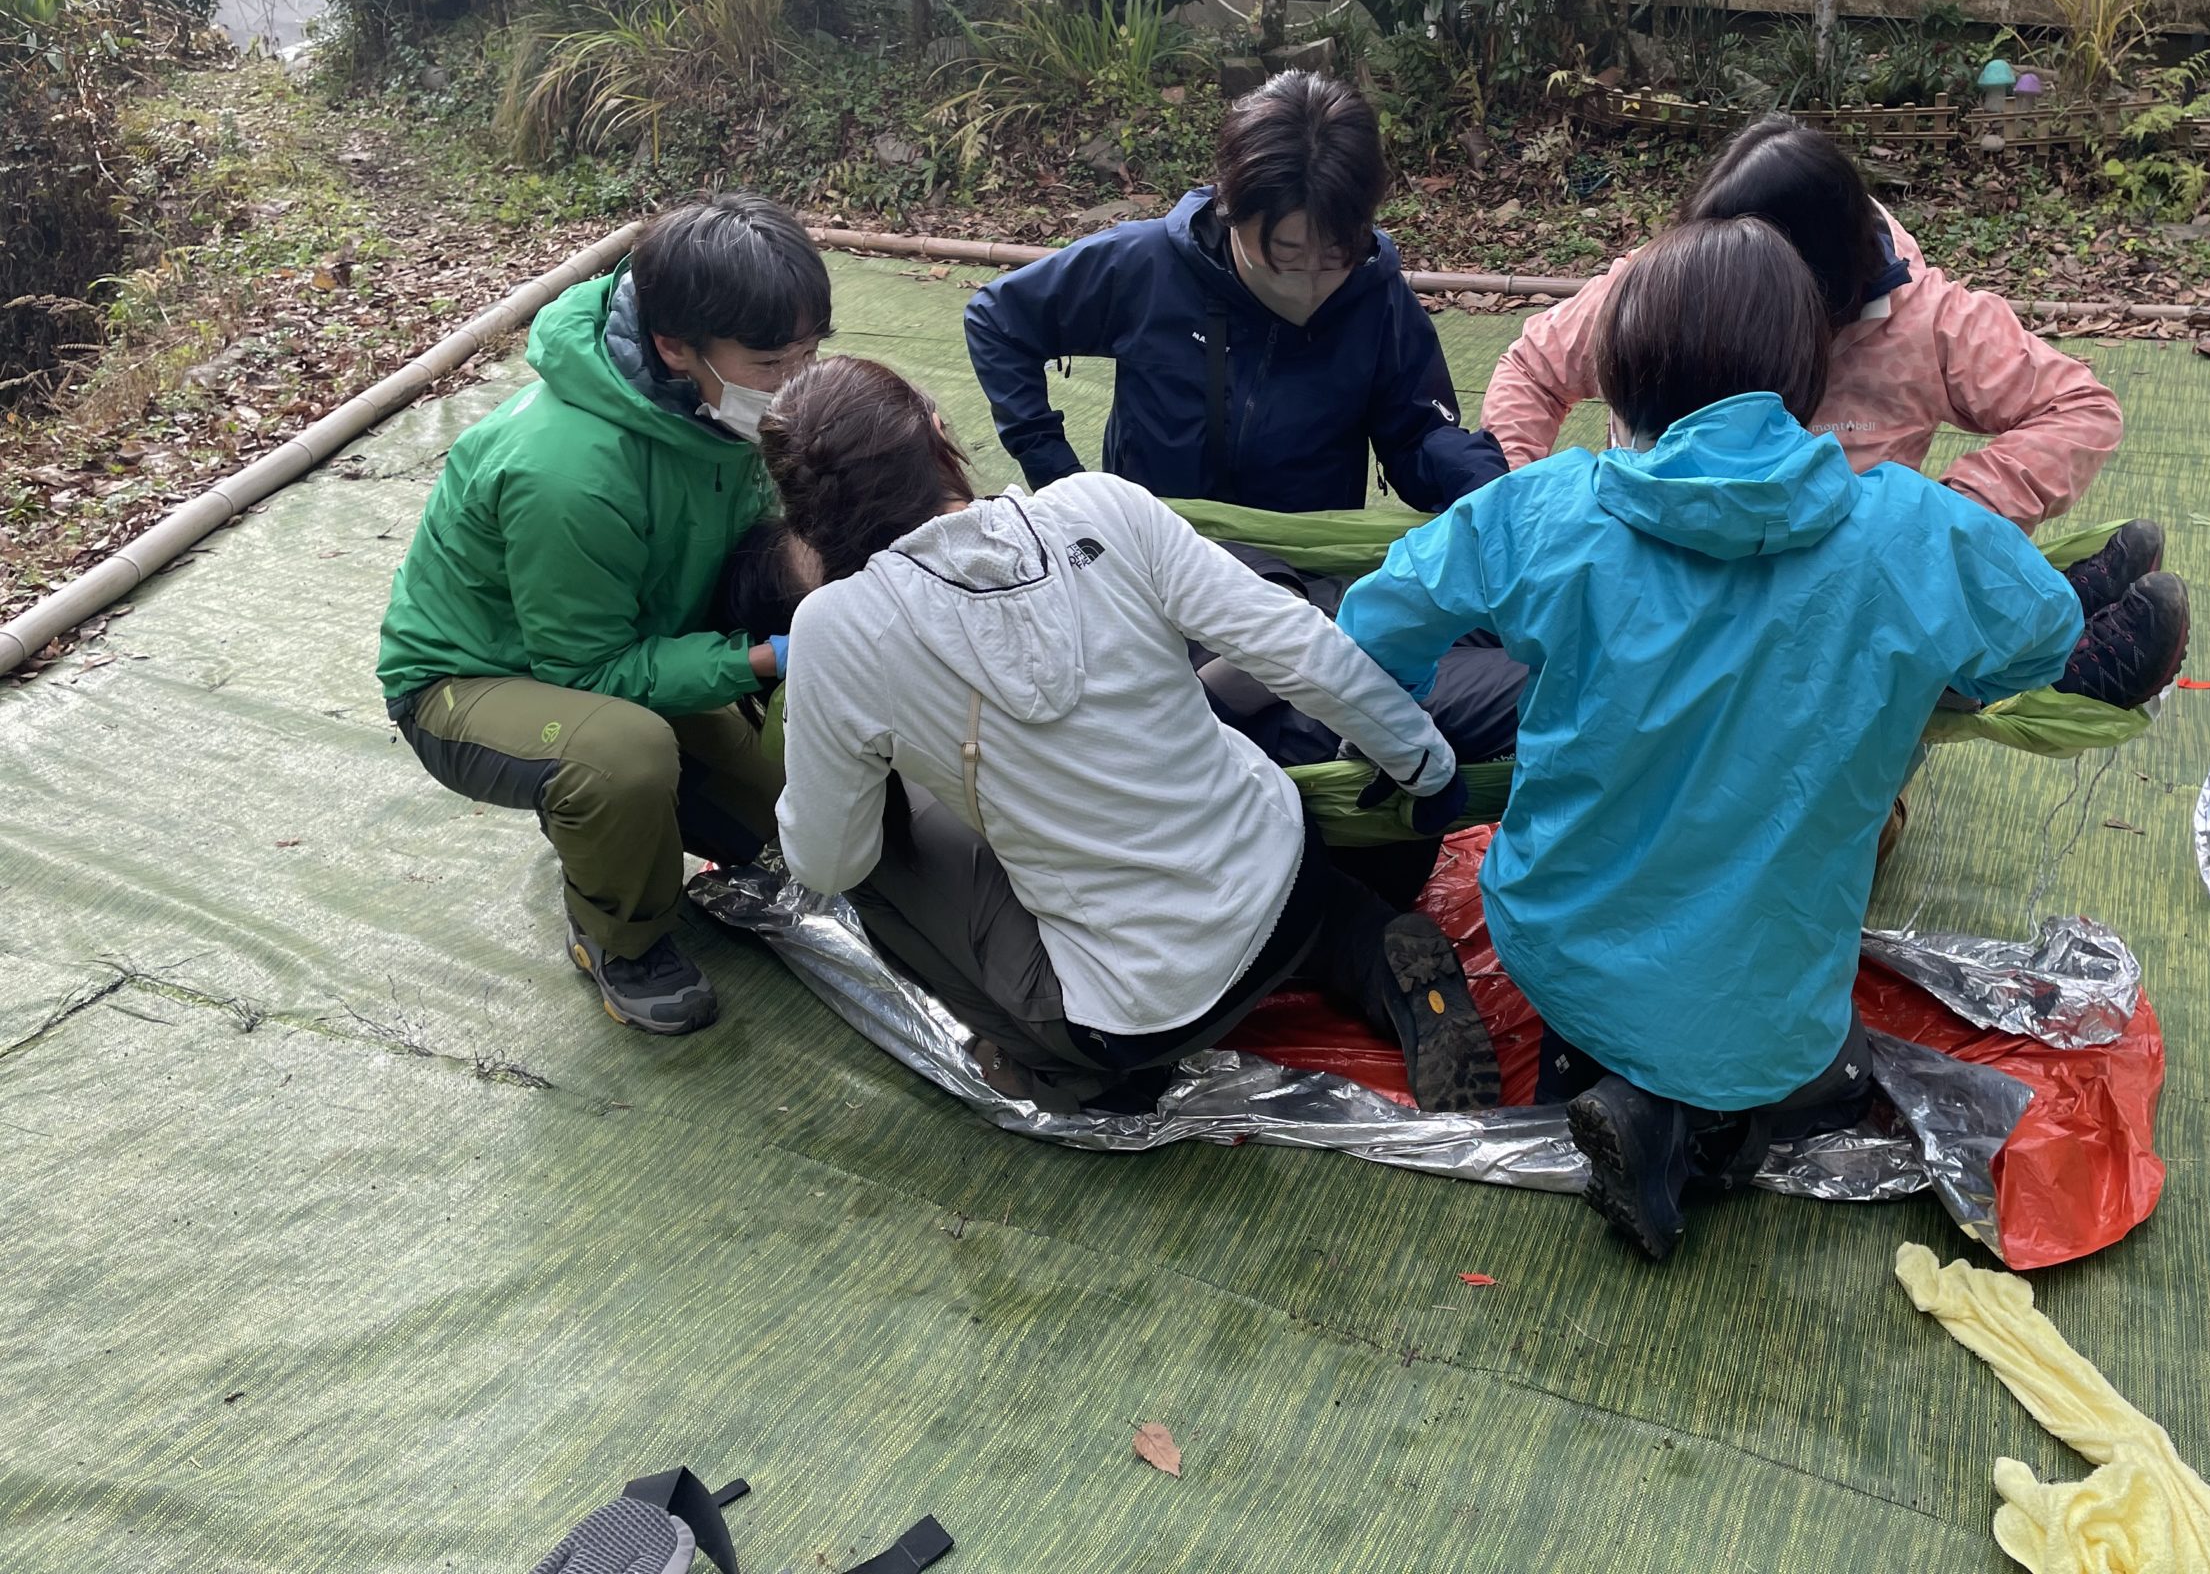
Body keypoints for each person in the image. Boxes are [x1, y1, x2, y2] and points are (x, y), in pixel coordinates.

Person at [1334, 218, 2090, 1261]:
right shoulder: (1912, 531)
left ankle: (1617, 1084)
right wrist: (1926, 679)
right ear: (1806, 372)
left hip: (1554, 940)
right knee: (1828, 1075)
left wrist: (1409, 725)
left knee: (1629, 994)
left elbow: (1375, 623)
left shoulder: (1545, 509)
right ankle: (1694, 1124)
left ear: (1623, 373)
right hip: (1769, 1004)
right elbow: (2046, 633)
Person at [762, 356, 1501, 1115]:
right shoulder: (1098, 504)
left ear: (807, 520)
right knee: (1203, 753)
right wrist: (1425, 765)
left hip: (1142, 1015)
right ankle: (1362, 942)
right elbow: (1296, 643)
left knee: (881, 854)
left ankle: (1072, 1072)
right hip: (1294, 877)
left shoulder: (837, 628)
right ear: (938, 433)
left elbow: (826, 860)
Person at [1479, 116, 2184, 707]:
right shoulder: (1661, 288)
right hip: (1659, 585)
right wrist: (1515, 507)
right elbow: (1532, 369)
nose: (1714, 309)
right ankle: (2044, 662)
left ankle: (2044, 631)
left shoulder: (1924, 324)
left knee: (1896, 580)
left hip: (1836, 602)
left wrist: (1959, 512)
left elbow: (2077, 407)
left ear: (1819, 289)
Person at [376, 193, 829, 1036]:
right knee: (622, 759)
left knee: (786, 825)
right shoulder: (568, 472)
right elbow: (584, 670)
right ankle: (620, 941)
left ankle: (626, 824)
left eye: (810, 353)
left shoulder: (715, 405)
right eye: (773, 362)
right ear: (673, 346)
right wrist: (765, 657)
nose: (797, 382)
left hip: (627, 640)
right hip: (474, 681)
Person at [963, 70, 1507, 514]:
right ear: (1230, 209)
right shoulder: (1146, 265)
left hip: (1298, 574)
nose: (1309, 284)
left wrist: (1483, 485)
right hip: (1153, 557)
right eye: (1286, 254)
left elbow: (1418, 437)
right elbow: (998, 321)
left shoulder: (1375, 296)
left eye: (1335, 253)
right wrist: (1059, 477)